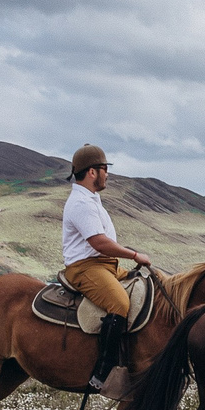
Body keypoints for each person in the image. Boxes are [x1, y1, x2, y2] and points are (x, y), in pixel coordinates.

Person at [61, 144, 153, 380]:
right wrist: (134, 255)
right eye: (104, 168)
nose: (107, 173)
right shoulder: (81, 203)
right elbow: (99, 243)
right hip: (86, 268)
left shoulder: (91, 199)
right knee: (120, 304)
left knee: (144, 283)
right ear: (92, 172)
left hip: (105, 266)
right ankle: (103, 371)